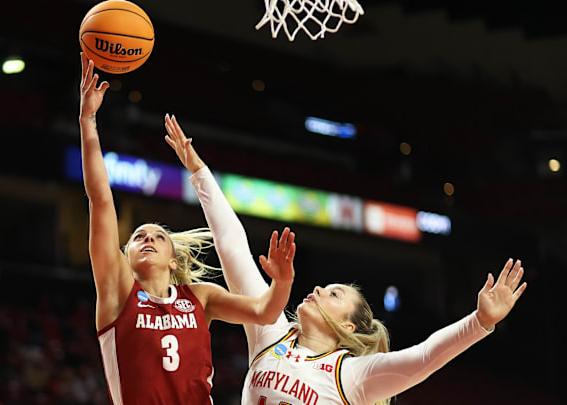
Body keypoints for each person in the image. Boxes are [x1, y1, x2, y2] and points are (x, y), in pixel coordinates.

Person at [164, 114, 528, 405]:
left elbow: (423, 357)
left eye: (334, 295)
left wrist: (480, 322)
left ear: (349, 328)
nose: (319, 288)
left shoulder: (352, 376)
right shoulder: (270, 332)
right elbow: (233, 248)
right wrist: (199, 172)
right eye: (328, 288)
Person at [78, 54, 297, 405]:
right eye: (138, 237)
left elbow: (265, 313)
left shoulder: (201, 297)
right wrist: (88, 121)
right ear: (127, 256)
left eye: (158, 237)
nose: (147, 238)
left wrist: (282, 281)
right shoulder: (118, 291)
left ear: (174, 261)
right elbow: (101, 199)